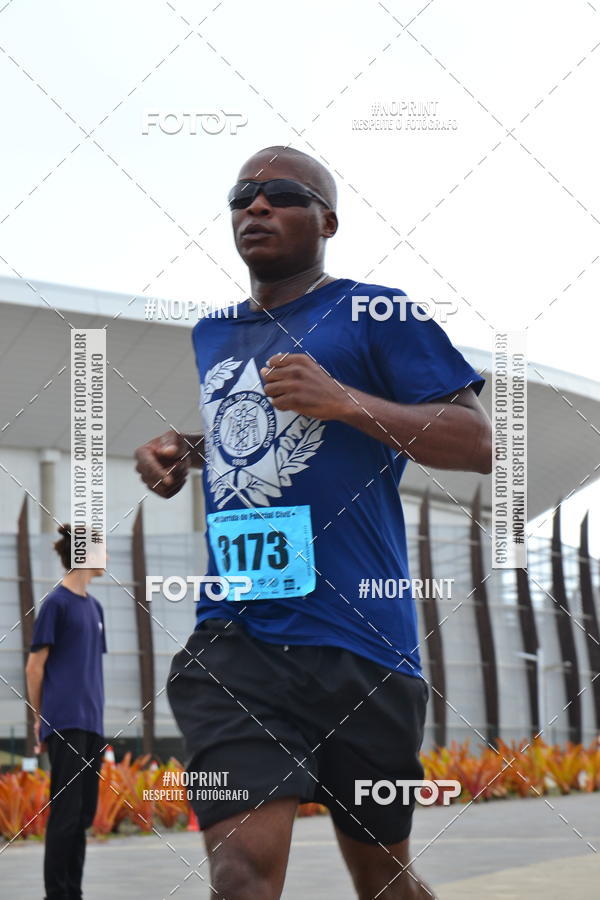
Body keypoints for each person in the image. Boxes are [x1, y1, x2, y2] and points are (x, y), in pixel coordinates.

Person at [134, 146, 492, 899]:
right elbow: (258, 430)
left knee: (382, 880)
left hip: (363, 647)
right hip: (237, 644)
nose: (255, 208)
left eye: (282, 195)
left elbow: (481, 443)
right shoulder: (214, 333)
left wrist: (346, 401)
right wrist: (185, 451)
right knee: (241, 873)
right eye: (243, 196)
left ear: (326, 220)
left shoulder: (377, 311)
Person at [25, 524, 107, 900]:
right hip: (64, 722)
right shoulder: (56, 603)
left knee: (83, 815)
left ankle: (73, 891)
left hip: (91, 724)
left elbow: (88, 668)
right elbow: (35, 666)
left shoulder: (95, 607)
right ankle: (57, 894)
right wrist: (38, 718)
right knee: (65, 814)